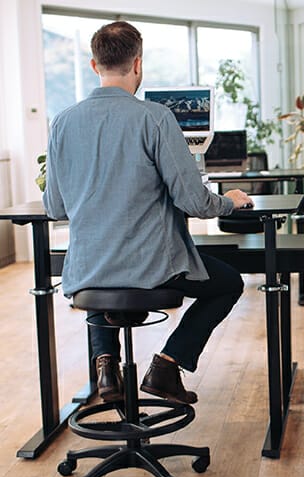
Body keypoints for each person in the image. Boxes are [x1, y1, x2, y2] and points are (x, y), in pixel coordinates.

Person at [43, 21, 253, 405]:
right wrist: (230, 201)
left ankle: (105, 368)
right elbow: (194, 202)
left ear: (94, 65)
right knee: (228, 283)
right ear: (137, 63)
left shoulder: (62, 122)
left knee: (102, 272)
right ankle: (167, 366)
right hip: (151, 269)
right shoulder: (155, 118)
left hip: (87, 270)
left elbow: (55, 207)